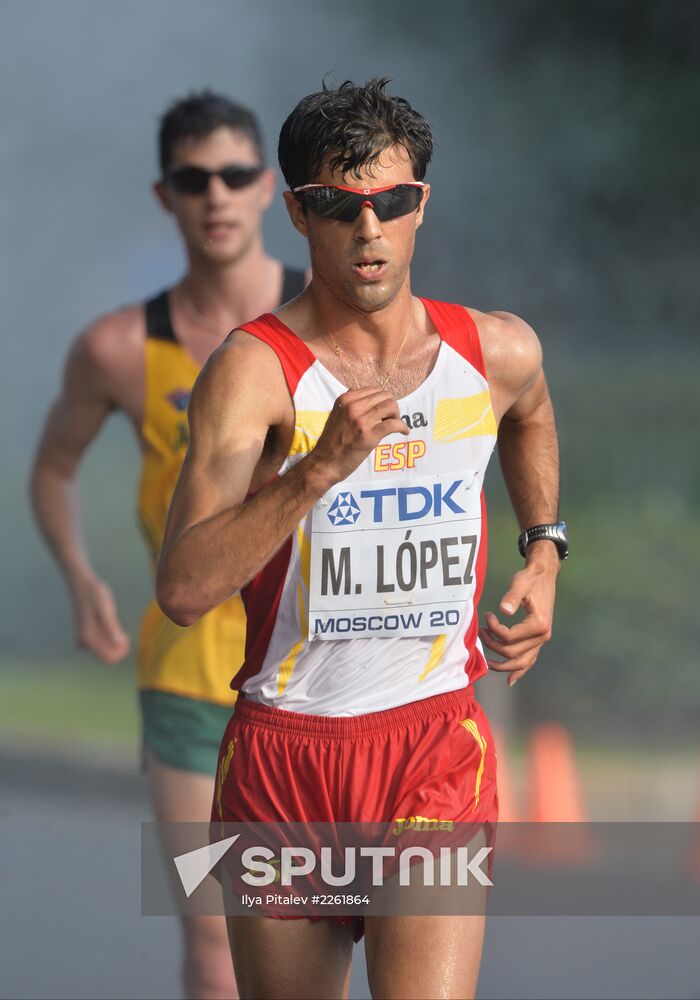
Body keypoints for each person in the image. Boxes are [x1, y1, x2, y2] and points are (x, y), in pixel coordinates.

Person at [156, 78, 566, 999]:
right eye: (340, 206)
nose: (369, 229)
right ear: (299, 213)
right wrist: (315, 470)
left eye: (393, 202)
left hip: (432, 746)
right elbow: (182, 590)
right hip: (285, 757)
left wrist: (544, 552)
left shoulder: (493, 352)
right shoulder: (255, 374)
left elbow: (530, 415)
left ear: (422, 203)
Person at [30, 90, 306, 1000]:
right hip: (189, 678)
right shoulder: (116, 348)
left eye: (233, 175)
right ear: (166, 196)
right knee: (217, 947)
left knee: (330, 925)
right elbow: (53, 469)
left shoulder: (334, 320)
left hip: (323, 669)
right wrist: (81, 578)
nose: (215, 196)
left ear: (268, 188)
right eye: (194, 180)